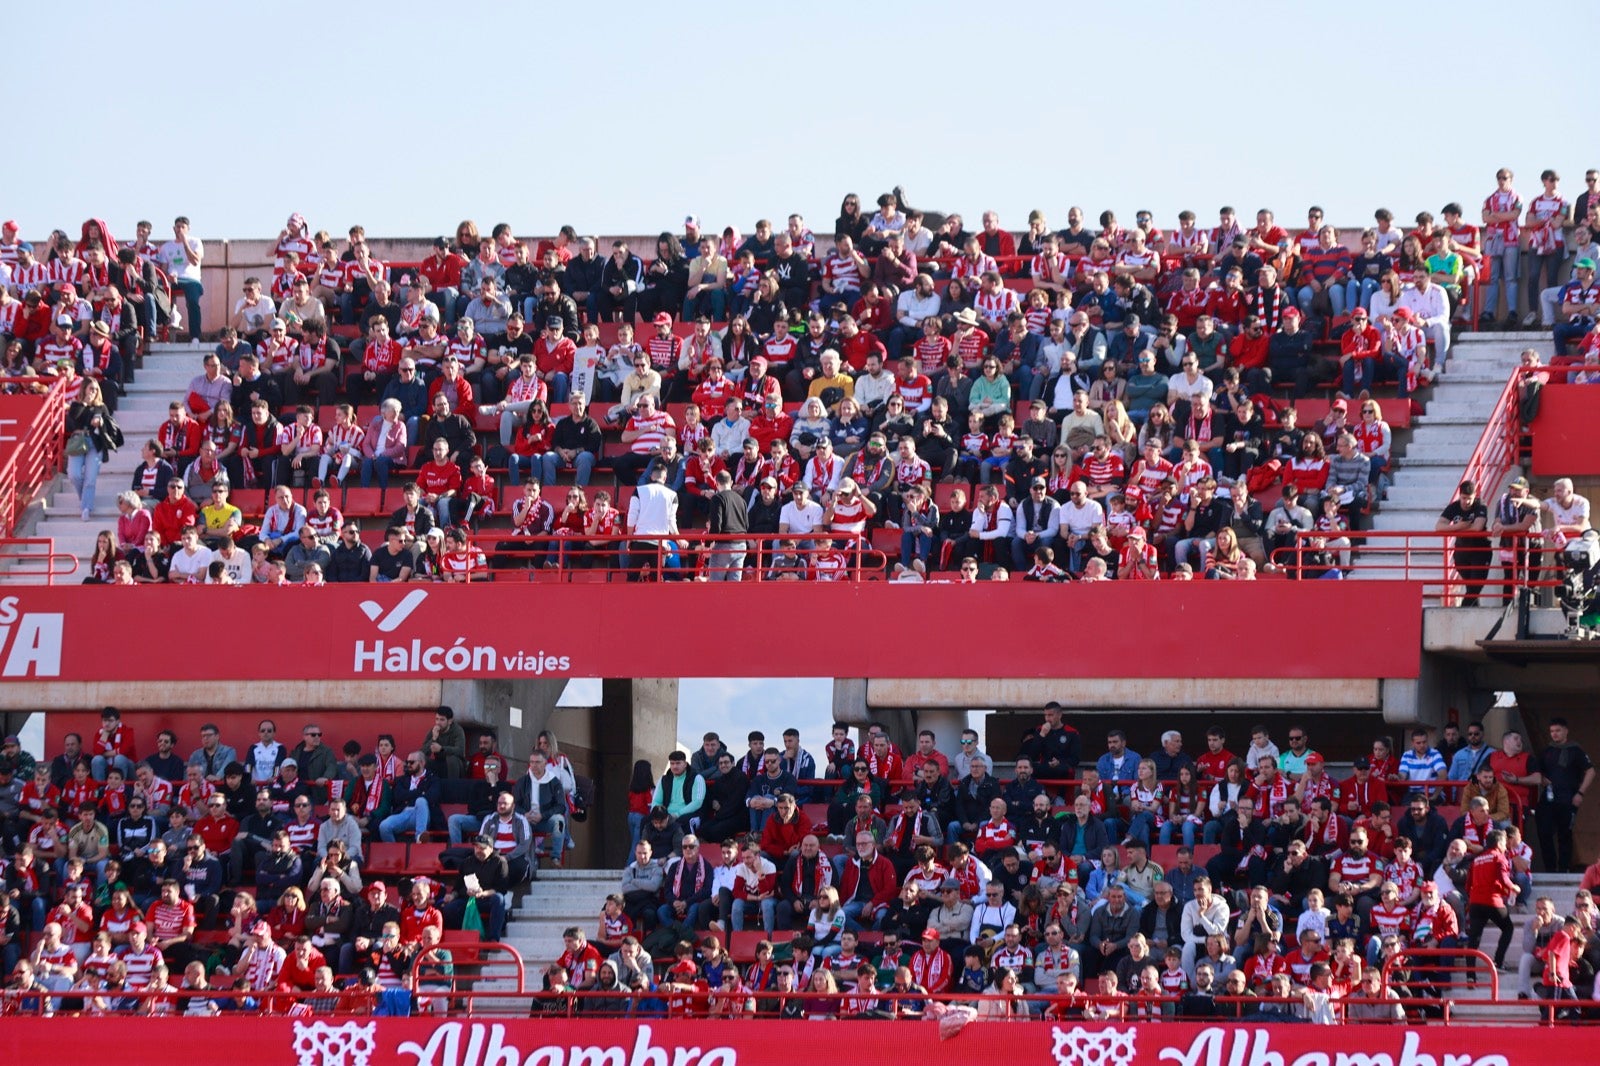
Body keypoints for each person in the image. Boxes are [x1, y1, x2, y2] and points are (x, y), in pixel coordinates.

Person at [1536, 717, 1594, 872]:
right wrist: (1542, 779)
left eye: (1558, 731)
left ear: (1566, 731)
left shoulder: (1575, 750)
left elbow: (1591, 771)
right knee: (1544, 832)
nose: (1554, 734)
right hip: (1548, 799)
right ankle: (1550, 868)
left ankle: (1563, 869)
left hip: (1568, 799)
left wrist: (1580, 793)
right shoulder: (1547, 751)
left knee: (1565, 835)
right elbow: (1537, 773)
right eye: (1552, 731)